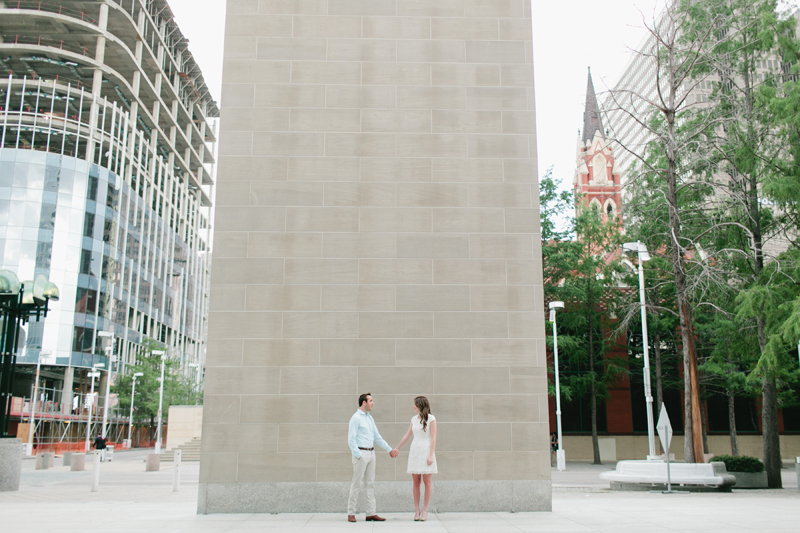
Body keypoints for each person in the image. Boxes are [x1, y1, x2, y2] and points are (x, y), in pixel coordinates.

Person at [347, 392, 394, 523]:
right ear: (364, 402)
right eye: (371, 401)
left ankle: (371, 513)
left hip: (372, 454)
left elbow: (377, 437)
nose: (373, 403)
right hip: (361, 454)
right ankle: (351, 512)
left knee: (370, 484)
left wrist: (389, 449)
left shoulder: (369, 418)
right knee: (356, 483)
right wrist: (358, 455)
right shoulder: (356, 418)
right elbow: (351, 439)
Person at [391, 396, 437, 522]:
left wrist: (431, 455)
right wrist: (397, 448)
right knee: (416, 482)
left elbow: (433, 438)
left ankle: (425, 510)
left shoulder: (431, 419)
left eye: (415, 405)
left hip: (426, 450)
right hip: (415, 451)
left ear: (421, 405)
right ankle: (417, 510)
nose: (413, 407)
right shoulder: (413, 419)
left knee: (427, 482)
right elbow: (407, 435)